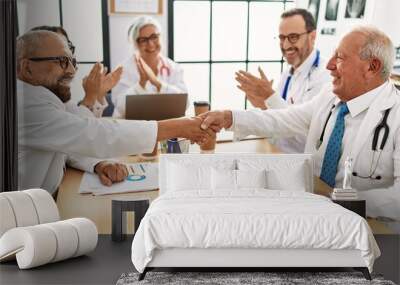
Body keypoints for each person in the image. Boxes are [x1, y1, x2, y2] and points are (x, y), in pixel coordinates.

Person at [200, 26, 400, 221]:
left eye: (339, 57)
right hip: (310, 205)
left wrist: (339, 199)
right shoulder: (329, 96)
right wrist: (229, 117)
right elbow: (284, 119)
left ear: (372, 67)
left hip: (368, 222)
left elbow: (396, 198)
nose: (329, 65)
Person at [17, 30, 212, 195]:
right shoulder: (28, 104)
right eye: (61, 61)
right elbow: (91, 132)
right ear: (27, 68)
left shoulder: (173, 66)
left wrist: (99, 164)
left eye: (71, 61)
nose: (71, 71)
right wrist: (177, 126)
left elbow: (68, 139)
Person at [235, 9, 331, 153]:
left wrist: (270, 96)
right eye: (282, 37)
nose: (285, 45)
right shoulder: (288, 72)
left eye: (293, 37)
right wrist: (263, 106)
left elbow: (308, 135)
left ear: (312, 36)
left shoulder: (324, 77)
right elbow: (278, 124)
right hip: (277, 153)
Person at [30, 25, 121, 118]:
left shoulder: (63, 101)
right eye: (60, 58)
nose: (72, 70)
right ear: (28, 67)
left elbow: (88, 124)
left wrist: (98, 94)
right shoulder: (34, 106)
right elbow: (78, 128)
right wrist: (90, 97)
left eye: (68, 50)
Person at [112, 16, 187, 118]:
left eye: (154, 37)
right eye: (143, 40)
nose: (150, 44)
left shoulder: (174, 68)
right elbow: (120, 107)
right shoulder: (122, 70)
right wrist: (141, 84)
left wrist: (158, 84)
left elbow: (185, 104)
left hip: (166, 126)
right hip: (131, 127)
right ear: (135, 44)